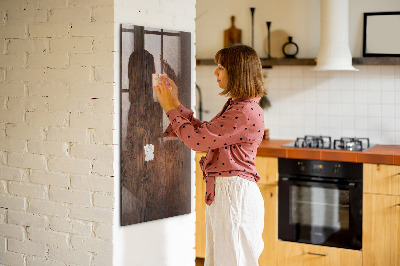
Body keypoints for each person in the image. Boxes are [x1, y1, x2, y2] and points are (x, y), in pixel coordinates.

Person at [154, 44, 266, 266]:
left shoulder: (243, 111)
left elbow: (197, 141)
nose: (215, 72)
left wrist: (169, 108)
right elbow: (205, 133)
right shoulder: (239, 106)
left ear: (237, 71)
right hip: (228, 194)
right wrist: (175, 103)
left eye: (221, 67)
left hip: (234, 196)